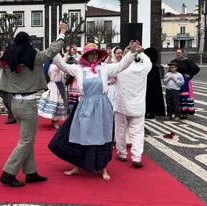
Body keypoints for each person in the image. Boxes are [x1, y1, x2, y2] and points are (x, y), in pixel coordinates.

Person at [0, 21, 67, 187]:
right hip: (28, 105)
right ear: (29, 44)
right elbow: (54, 50)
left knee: (27, 139)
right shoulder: (35, 57)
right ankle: (8, 173)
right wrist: (62, 32)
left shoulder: (6, 60)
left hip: (14, 103)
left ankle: (31, 173)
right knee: (26, 141)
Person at [49, 41, 141, 180]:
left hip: (102, 106)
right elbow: (62, 65)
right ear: (85, 56)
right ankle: (77, 166)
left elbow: (122, 65)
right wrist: (53, 50)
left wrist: (132, 52)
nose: (93, 56)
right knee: (81, 135)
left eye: (95, 53)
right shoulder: (78, 69)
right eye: (90, 54)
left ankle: (103, 168)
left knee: (102, 136)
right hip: (84, 105)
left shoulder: (104, 68)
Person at [113, 47, 152, 168]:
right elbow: (148, 62)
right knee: (137, 133)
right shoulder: (143, 68)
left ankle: (122, 153)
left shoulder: (119, 68)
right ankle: (137, 157)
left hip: (121, 105)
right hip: (138, 105)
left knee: (120, 130)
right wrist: (141, 52)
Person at [38, 58, 67, 129]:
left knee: (57, 103)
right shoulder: (53, 67)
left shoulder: (51, 66)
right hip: (55, 86)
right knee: (57, 103)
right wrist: (66, 54)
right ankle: (55, 122)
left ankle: (54, 121)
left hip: (56, 85)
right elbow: (63, 63)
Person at [172, 49, 200, 119]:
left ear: (183, 53)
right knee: (176, 96)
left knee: (184, 96)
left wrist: (190, 75)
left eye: (179, 53)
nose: (178, 54)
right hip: (176, 80)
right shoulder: (174, 61)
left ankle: (184, 112)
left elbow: (196, 68)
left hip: (184, 81)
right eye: (177, 52)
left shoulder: (187, 61)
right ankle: (177, 112)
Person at [144, 47, 166, 119]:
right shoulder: (153, 66)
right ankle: (150, 111)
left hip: (150, 84)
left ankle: (150, 112)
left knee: (151, 96)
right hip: (149, 83)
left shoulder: (151, 66)